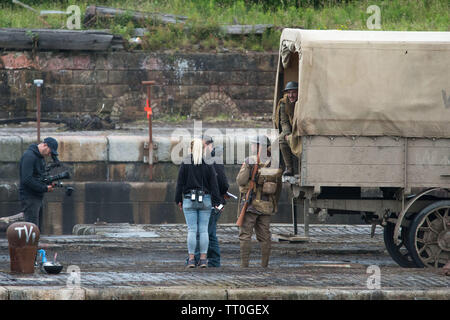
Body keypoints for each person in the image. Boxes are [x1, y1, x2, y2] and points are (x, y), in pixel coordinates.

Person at [175, 138, 223, 268]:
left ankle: (191, 259)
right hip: (206, 200)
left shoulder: (185, 162)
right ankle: (203, 259)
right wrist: (217, 202)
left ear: (191, 149)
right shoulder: (208, 163)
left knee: (191, 230)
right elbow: (214, 185)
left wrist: (178, 199)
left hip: (189, 199)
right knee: (203, 231)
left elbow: (180, 183)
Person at [236, 135, 282, 268]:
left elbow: (241, 181)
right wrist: (273, 204)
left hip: (251, 205)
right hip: (267, 205)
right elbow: (278, 188)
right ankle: (264, 265)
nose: (251, 146)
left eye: (254, 144)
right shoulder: (274, 163)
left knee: (245, 235)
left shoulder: (251, 161)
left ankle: (244, 266)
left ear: (258, 146)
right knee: (265, 237)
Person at [193, 135, 229, 267]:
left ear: (209, 146)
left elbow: (223, 183)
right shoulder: (210, 160)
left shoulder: (212, 160)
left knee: (205, 232)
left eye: (202, 146)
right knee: (209, 232)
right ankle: (213, 260)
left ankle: (202, 259)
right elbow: (223, 184)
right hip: (214, 201)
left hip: (213, 202)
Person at [19, 137, 58, 230]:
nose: (49, 154)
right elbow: (27, 179)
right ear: (45, 145)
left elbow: (38, 177)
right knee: (32, 229)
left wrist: (47, 183)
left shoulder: (39, 158)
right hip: (29, 197)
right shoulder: (29, 156)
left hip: (37, 197)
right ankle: (30, 244)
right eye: (50, 151)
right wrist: (44, 188)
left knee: (36, 229)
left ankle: (34, 244)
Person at [274, 81, 298, 176]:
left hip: (300, 128)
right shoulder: (284, 103)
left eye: (294, 92)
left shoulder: (304, 102)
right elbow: (284, 121)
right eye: (289, 93)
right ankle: (289, 168)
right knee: (281, 140)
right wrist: (287, 134)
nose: (291, 95)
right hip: (290, 128)